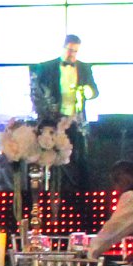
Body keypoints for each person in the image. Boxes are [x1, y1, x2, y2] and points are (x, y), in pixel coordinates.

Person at [31, 35, 98, 188]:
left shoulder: (84, 68)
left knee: (78, 158)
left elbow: (94, 92)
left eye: (75, 51)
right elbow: (37, 92)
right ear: (63, 47)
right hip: (53, 120)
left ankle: (79, 190)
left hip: (76, 120)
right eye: (69, 50)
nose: (72, 54)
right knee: (52, 157)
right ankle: (51, 189)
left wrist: (86, 91)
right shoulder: (47, 67)